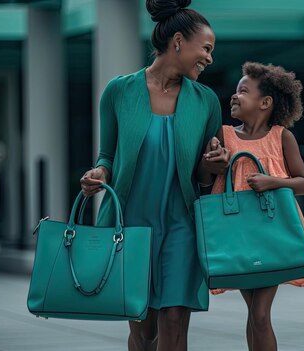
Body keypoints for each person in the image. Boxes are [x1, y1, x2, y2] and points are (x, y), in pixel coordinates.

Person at [79, 1, 228, 350]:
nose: (209, 58)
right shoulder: (119, 91)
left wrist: (214, 164)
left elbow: (203, 178)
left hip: (182, 224)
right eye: (205, 49)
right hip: (130, 223)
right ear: (178, 41)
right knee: (143, 330)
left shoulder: (206, 101)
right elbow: (108, 155)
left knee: (175, 321)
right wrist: (99, 173)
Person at [199, 62, 304, 351]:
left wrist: (272, 182)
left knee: (261, 314)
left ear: (265, 102)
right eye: (235, 91)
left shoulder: (282, 137)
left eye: (243, 91)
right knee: (255, 314)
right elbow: (204, 180)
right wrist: (213, 163)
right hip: (238, 237)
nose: (234, 96)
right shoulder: (223, 134)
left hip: (270, 236)